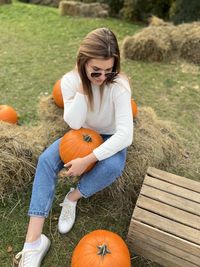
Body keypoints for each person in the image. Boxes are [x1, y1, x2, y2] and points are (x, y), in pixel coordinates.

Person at [15, 27, 133, 267]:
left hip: (110, 135)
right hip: (83, 132)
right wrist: (82, 88)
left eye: (109, 71)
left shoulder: (119, 85)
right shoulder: (70, 82)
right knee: (46, 160)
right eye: (95, 72)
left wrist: (88, 159)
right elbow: (75, 122)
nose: (102, 78)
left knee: (113, 166)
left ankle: (72, 197)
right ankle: (33, 242)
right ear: (83, 63)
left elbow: (125, 135)